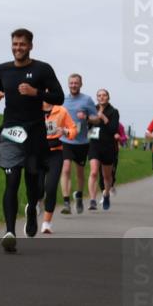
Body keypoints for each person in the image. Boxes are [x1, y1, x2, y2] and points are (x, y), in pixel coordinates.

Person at [0, 29, 65, 253]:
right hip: (11, 131)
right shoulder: (3, 69)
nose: (17, 48)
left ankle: (32, 208)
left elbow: (58, 97)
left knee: (33, 183)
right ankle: (9, 232)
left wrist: (36, 92)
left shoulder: (42, 69)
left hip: (35, 133)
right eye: (15, 44)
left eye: (22, 44)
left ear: (31, 46)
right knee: (11, 181)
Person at [58, 74, 98, 215]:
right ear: (68, 84)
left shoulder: (86, 100)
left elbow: (97, 119)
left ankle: (79, 196)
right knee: (66, 168)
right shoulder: (63, 100)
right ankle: (67, 202)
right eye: (71, 83)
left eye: (76, 83)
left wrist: (86, 117)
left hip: (82, 142)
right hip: (66, 140)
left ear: (81, 84)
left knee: (80, 172)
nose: (73, 85)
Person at [41, 101, 77, 234]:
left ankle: (46, 222)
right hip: (37, 153)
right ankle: (37, 202)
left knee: (50, 187)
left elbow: (74, 130)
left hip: (55, 153)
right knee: (38, 189)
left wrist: (66, 131)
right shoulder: (32, 107)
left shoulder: (61, 111)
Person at [85, 89, 120, 211]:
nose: (101, 97)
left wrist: (104, 118)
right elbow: (86, 126)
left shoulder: (114, 112)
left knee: (107, 176)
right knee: (94, 172)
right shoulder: (92, 109)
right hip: (94, 144)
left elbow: (113, 129)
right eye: (99, 95)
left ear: (108, 97)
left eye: (104, 95)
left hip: (108, 146)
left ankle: (106, 195)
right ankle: (93, 200)